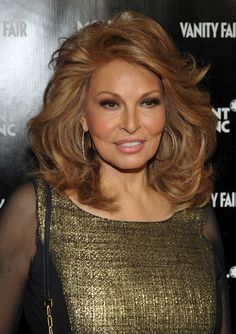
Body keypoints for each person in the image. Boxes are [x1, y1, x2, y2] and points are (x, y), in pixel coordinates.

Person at [0, 10, 231, 334]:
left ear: (167, 110)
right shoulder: (34, 212)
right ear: (82, 115)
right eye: (111, 104)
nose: (132, 124)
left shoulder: (195, 212)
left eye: (148, 102)